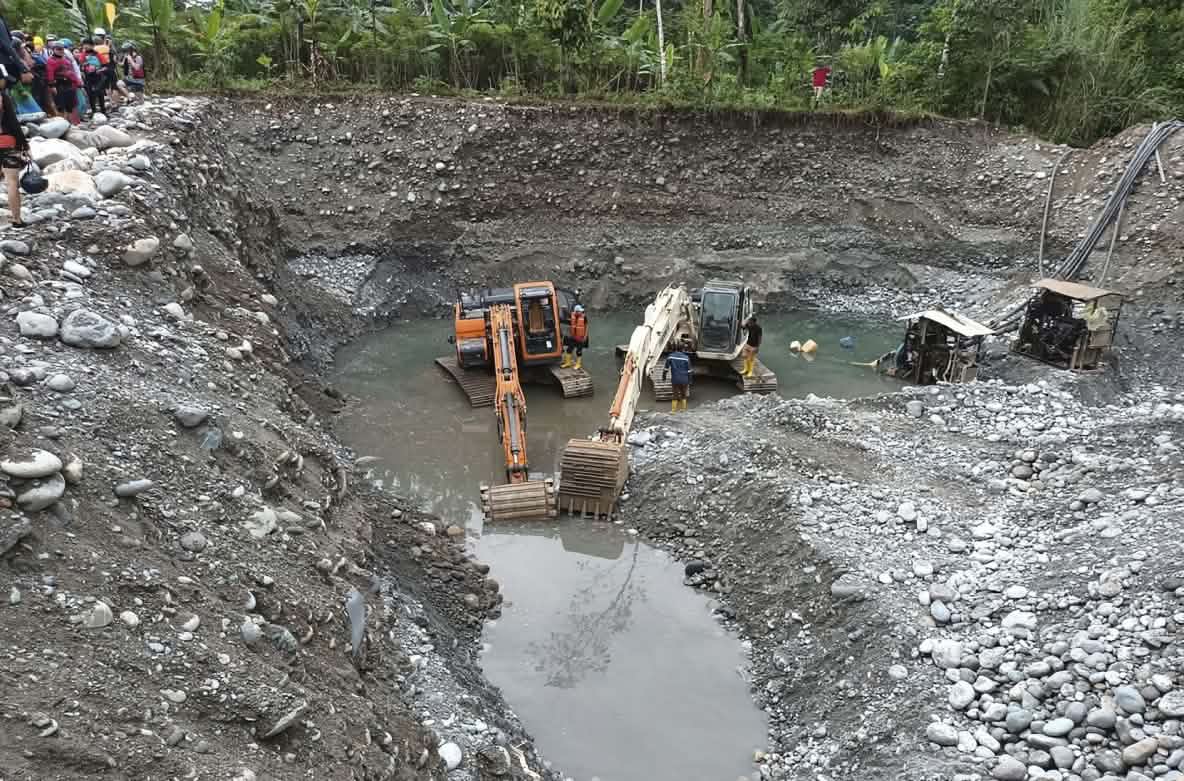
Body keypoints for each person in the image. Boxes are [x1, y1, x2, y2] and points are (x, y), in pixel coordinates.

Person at [0, 87, 30, 227]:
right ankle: (16, 219)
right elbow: (13, 122)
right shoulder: (3, 96)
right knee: (11, 182)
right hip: (6, 142)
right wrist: (24, 145)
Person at [46, 40, 81, 124]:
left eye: (62, 49)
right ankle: (64, 124)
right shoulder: (51, 60)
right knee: (61, 106)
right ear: (53, 50)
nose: (61, 51)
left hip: (69, 85)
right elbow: (50, 74)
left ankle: (74, 123)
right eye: (58, 49)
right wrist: (52, 86)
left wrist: (77, 82)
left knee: (71, 105)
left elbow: (72, 71)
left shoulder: (66, 59)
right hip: (59, 85)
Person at [662, 344, 692, 413]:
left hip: (675, 379)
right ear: (682, 349)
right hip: (684, 379)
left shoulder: (670, 356)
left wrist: (664, 377)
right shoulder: (686, 357)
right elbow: (689, 370)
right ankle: (683, 409)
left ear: (675, 348)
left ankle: (673, 410)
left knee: (675, 394)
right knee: (683, 394)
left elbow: (666, 368)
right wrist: (690, 380)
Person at [80, 38, 105, 115]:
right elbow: (81, 65)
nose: (86, 46)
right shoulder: (83, 55)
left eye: (88, 44)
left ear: (92, 46)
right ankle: (94, 111)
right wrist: (85, 66)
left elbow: (105, 65)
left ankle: (103, 110)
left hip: (98, 75)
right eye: (84, 44)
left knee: (100, 93)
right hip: (88, 77)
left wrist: (99, 70)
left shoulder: (98, 54)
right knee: (91, 94)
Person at [561, 303, 589, 370]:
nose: (581, 312)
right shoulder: (572, 315)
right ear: (576, 311)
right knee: (569, 349)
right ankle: (568, 363)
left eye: (581, 311)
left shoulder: (584, 317)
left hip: (580, 338)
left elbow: (587, 327)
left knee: (578, 351)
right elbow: (566, 315)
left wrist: (585, 336)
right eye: (579, 311)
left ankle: (578, 364)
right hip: (573, 337)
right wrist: (564, 309)